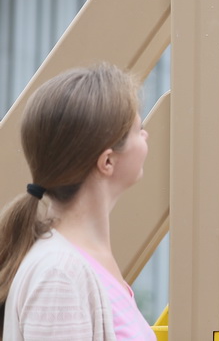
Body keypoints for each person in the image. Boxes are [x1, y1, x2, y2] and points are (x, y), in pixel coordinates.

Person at [0, 63, 154, 341]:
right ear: (107, 161)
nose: (146, 135)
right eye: (138, 128)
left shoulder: (78, 261)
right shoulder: (59, 275)